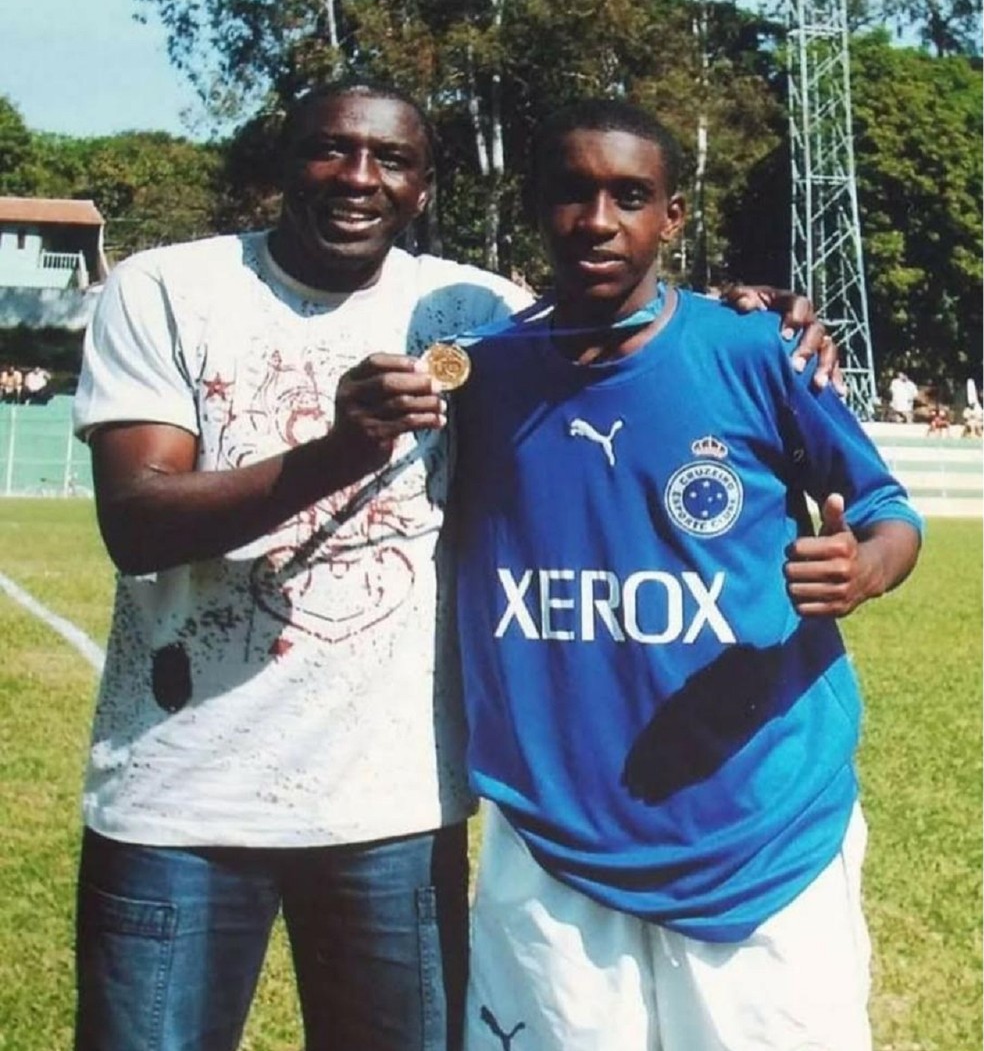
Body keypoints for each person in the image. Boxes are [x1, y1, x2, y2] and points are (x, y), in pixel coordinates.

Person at [71, 80, 837, 1051]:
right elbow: (136, 523)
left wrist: (757, 321)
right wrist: (336, 453)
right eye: (330, 150)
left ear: (426, 187)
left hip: (390, 809)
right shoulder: (169, 288)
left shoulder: (473, 310)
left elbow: (631, 331)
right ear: (283, 161)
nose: (359, 177)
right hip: (175, 803)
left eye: (391, 160)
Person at [449, 100, 923, 1051]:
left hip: (763, 832)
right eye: (573, 193)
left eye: (631, 196)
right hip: (555, 840)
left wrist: (863, 567)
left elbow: (887, 511)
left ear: (672, 216)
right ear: (538, 204)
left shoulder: (755, 352)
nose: (598, 220)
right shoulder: (480, 377)